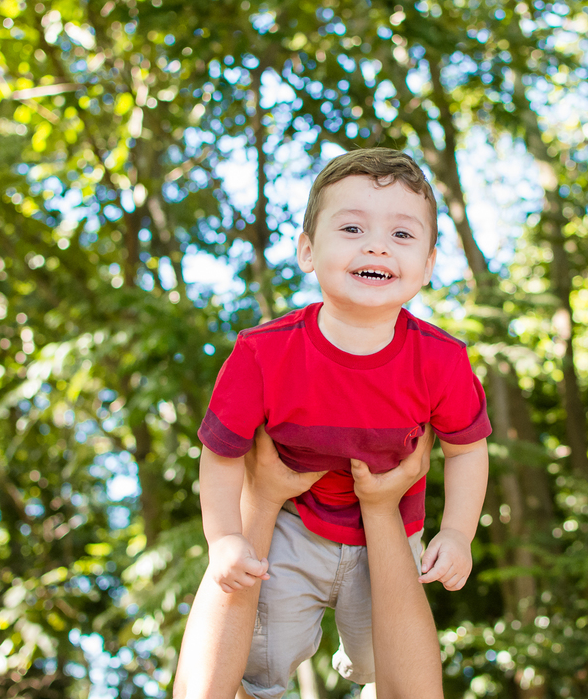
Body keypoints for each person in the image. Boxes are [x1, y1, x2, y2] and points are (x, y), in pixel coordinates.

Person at [188, 149, 491, 698]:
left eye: (402, 235)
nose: (376, 245)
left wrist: (457, 532)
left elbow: (467, 449)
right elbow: (222, 453)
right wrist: (225, 538)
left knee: (386, 659)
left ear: (427, 265)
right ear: (307, 250)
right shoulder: (263, 353)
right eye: (352, 227)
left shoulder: (441, 360)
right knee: (266, 653)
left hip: (392, 532)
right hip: (292, 527)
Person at [173, 428, 443, 699]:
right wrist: (382, 508)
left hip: (303, 517)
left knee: (368, 660)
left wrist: (260, 500)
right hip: (306, 523)